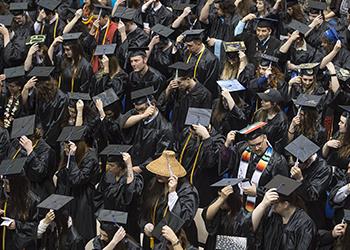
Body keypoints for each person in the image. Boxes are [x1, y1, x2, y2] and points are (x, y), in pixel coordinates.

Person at [220, 122, 289, 212]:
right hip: (238, 203)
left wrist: (258, 192)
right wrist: (227, 145)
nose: (256, 148)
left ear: (265, 138)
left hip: (261, 209)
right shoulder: (242, 149)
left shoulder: (278, 161)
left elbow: (282, 190)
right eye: (252, 145)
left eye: (259, 143)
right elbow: (226, 165)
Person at [140, 150, 199, 249]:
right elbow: (142, 211)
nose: (158, 175)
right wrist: (145, 225)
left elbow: (185, 218)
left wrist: (172, 193)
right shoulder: (153, 185)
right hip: (154, 239)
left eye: (162, 172)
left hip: (178, 240)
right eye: (157, 172)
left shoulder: (188, 190)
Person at [56, 127, 100, 245]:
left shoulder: (91, 158)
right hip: (70, 198)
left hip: (83, 201)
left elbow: (77, 179)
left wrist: (72, 158)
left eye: (68, 146)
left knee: (81, 233)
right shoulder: (72, 156)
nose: (65, 148)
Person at [251, 176, 318, 250]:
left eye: (274, 203)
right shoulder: (271, 215)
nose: (271, 205)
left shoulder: (305, 224)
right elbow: (250, 228)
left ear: (286, 204)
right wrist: (263, 204)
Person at [119, 87, 174, 169]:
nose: (139, 112)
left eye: (142, 109)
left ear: (153, 105)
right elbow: (122, 123)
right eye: (137, 110)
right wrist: (142, 115)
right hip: (133, 162)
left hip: (148, 169)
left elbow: (159, 155)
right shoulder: (140, 114)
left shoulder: (165, 128)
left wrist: (141, 168)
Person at [96, 146, 143, 239]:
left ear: (121, 167)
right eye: (108, 164)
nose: (108, 168)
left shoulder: (135, 178)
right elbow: (98, 197)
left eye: (112, 165)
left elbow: (131, 193)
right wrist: (103, 220)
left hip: (128, 224)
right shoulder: (108, 176)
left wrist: (129, 166)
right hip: (109, 222)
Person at [286, 135, 332, 229]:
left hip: (312, 213)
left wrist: (300, 179)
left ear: (308, 160)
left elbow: (312, 195)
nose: (296, 166)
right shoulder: (295, 162)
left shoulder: (324, 169)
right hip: (293, 209)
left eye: (300, 165)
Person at [7, 115, 56, 201]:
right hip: (17, 189)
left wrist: (30, 151)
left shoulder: (46, 150)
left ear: (32, 137)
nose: (20, 142)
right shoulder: (16, 143)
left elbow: (38, 174)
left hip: (35, 193)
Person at [158, 62, 212, 134]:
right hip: (174, 130)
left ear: (188, 79)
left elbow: (201, 123)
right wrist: (168, 90)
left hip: (189, 136)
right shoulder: (178, 89)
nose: (177, 85)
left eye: (179, 82)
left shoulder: (203, 94)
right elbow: (161, 106)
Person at [0, 160, 40, 250]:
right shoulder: (3, 195)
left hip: (20, 244)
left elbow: (34, 226)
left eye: (7, 183)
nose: (4, 186)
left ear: (16, 184)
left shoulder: (32, 200)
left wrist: (17, 225)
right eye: (3, 183)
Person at [202, 180, 253, 250]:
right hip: (215, 245)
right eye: (219, 197)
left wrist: (219, 244)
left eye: (223, 198)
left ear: (231, 199)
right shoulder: (219, 208)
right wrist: (222, 198)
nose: (220, 201)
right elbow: (207, 215)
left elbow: (240, 245)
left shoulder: (243, 216)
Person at [175, 29, 220, 98]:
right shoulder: (187, 53)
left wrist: (196, 91)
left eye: (190, 45)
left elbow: (210, 84)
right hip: (186, 94)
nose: (187, 48)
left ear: (198, 42)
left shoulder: (211, 60)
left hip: (201, 96)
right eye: (187, 45)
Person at [253, 89, 289, 154]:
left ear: (274, 104)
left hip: (270, 153)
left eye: (265, 101)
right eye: (262, 99)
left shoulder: (282, 120)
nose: (262, 102)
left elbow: (279, 144)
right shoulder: (259, 113)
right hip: (255, 147)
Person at [323, 105, 350, 170]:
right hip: (327, 171)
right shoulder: (339, 134)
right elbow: (324, 155)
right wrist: (327, 145)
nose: (338, 123)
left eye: (342, 122)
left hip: (339, 177)